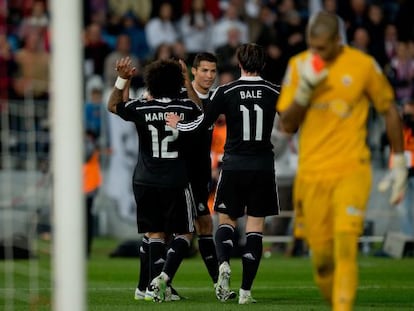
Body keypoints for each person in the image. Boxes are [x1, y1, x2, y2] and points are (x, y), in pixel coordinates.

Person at [276, 11, 407, 311]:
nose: (316, 53)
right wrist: (304, 92)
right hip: (311, 175)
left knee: (346, 247)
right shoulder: (298, 67)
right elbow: (287, 124)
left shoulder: (362, 65)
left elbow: (388, 108)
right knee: (322, 262)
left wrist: (398, 158)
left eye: (322, 47)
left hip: (352, 169)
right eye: (312, 46)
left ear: (338, 40)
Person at [166, 43, 280, 304]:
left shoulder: (226, 91)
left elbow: (202, 123)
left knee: (226, 220)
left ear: (239, 63)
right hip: (263, 165)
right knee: (255, 228)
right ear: (262, 64)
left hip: (234, 165)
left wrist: (178, 125)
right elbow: (293, 121)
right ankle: (245, 292)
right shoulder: (275, 91)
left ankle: (224, 263)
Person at [107, 57, 202, 302]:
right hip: (174, 179)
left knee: (155, 233)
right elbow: (200, 109)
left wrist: (123, 78)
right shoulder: (184, 109)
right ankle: (159, 283)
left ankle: (147, 287)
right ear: (177, 83)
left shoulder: (141, 107)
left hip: (144, 179)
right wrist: (188, 81)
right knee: (185, 233)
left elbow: (113, 105)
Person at [181, 52, 220, 288]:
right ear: (193, 71)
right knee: (178, 229)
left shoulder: (217, 97)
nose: (209, 75)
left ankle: (218, 283)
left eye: (213, 71)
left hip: (201, 173)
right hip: (180, 172)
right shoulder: (181, 97)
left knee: (204, 225)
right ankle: (157, 282)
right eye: (204, 70)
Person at [378, 97, 414, 237]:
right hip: (400, 174)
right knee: (403, 209)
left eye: (410, 105)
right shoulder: (398, 126)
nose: (408, 109)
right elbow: (383, 140)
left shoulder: (409, 124)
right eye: (406, 106)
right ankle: (409, 239)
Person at [83, 130, 102, 257]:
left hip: (88, 188)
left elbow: (85, 155)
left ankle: (86, 249)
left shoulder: (89, 145)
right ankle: (84, 249)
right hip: (84, 186)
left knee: (85, 220)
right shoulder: (91, 145)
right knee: (84, 220)